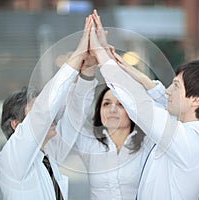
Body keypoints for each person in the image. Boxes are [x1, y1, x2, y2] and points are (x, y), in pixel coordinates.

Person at [88, 10, 199, 200]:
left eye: (176, 86)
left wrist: (100, 54)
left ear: (197, 100)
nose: (168, 90)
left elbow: (143, 107)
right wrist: (134, 73)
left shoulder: (191, 144)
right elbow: (163, 103)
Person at [0, 16, 95, 200]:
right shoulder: (12, 158)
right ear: (17, 125)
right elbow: (43, 110)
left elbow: (74, 116)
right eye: (35, 113)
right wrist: (79, 53)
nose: (49, 117)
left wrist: (87, 72)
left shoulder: (47, 154)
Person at [58, 10, 152, 200]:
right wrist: (87, 72)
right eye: (106, 104)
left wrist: (104, 54)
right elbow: (74, 113)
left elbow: (152, 103)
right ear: (99, 110)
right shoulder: (89, 144)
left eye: (120, 105)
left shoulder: (148, 143)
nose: (112, 109)